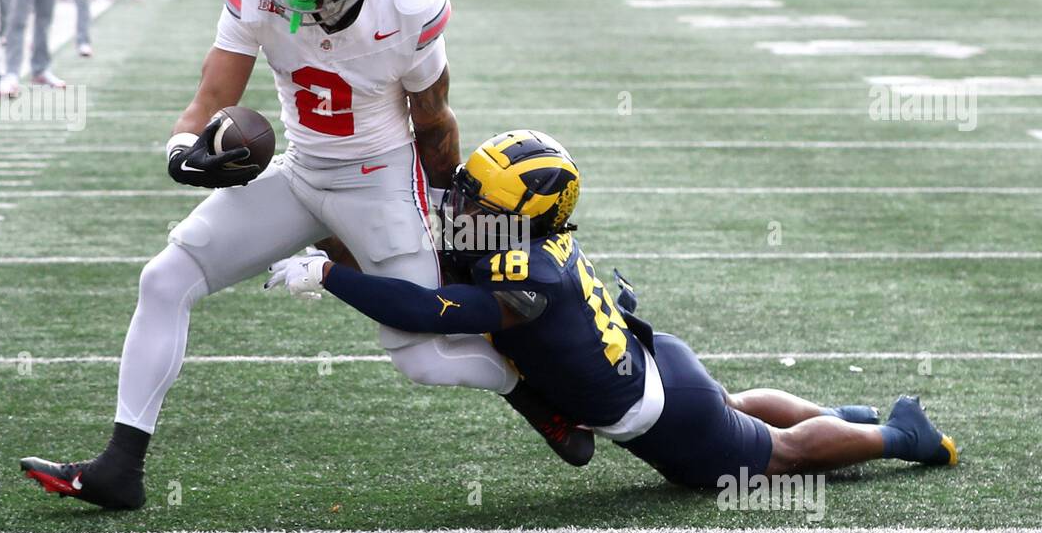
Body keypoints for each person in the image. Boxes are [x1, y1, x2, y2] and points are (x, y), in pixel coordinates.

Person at [20, 0, 586, 509]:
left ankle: (529, 394)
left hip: (380, 182)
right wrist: (184, 154)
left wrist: (446, 208)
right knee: (163, 278)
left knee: (423, 359)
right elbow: (212, 98)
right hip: (299, 172)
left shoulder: (409, 1)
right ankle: (120, 467)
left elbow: (433, 121)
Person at [270, 130, 960, 484]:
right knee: (739, 405)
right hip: (656, 368)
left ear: (525, 216)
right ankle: (847, 415)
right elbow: (432, 223)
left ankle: (900, 437)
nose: (468, 205)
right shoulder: (527, 235)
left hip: (657, 408)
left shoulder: (525, 275)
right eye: (471, 189)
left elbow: (432, 311)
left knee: (778, 456)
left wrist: (331, 275)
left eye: (484, 200)